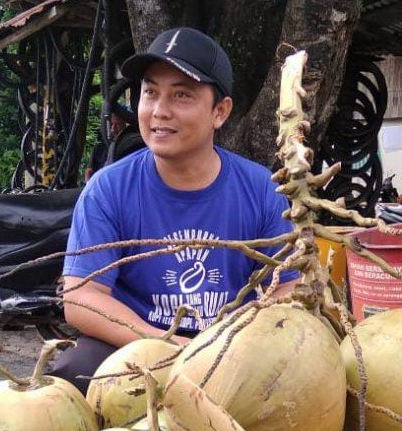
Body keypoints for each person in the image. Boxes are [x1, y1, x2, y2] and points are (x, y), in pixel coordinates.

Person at [49, 27, 299, 393]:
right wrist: (163, 345)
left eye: (181, 95)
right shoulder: (108, 188)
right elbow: (81, 298)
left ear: (220, 112)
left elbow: (289, 289)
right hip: (136, 343)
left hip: (232, 349)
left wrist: (233, 342)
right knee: (74, 370)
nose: (159, 111)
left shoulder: (261, 189)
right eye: (150, 92)